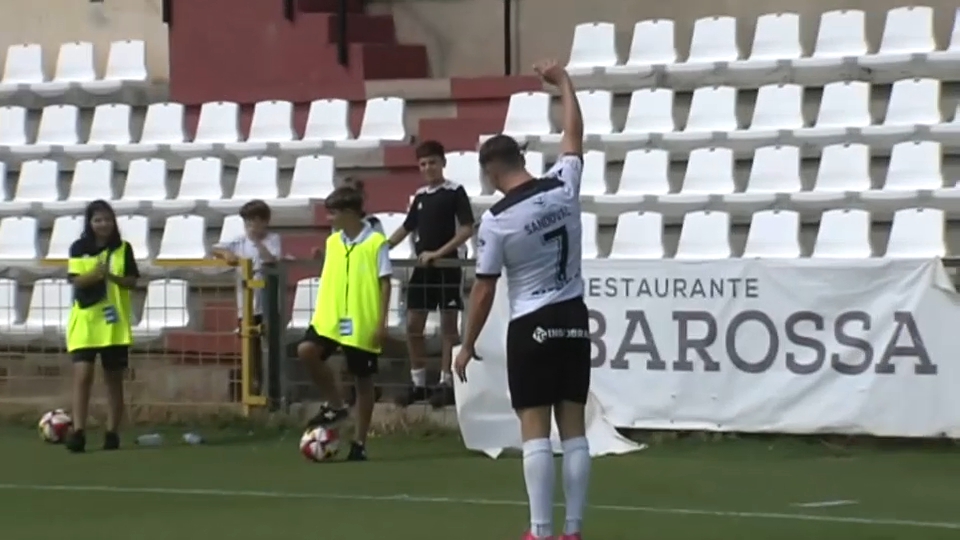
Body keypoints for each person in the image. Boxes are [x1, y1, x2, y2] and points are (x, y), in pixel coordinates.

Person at [454, 60, 590, 540]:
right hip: (574, 317)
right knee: (573, 428)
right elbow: (573, 134)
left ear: (491, 169)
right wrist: (564, 83)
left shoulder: (496, 220)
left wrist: (467, 344)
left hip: (532, 325)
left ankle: (538, 530)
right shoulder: (563, 185)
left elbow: (485, 287)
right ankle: (572, 531)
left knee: (535, 429)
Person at [297, 187, 392, 461]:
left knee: (363, 380)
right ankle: (336, 404)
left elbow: (385, 282)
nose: (330, 218)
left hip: (361, 318)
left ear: (350, 213)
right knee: (307, 350)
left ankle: (359, 443)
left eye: (335, 212)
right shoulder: (333, 242)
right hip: (332, 317)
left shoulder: (376, 242)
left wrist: (381, 322)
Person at [387, 140, 474, 408]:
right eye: (423, 164)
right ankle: (419, 382)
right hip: (423, 268)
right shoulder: (421, 196)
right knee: (414, 324)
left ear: (442, 163)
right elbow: (407, 227)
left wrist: (439, 252)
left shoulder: (455, 191)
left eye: (432, 162)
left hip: (447, 267)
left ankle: (447, 381)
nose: (428, 168)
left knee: (449, 326)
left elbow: (466, 228)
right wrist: (381, 247)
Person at [64, 200, 141, 453]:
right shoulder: (79, 248)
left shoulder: (123, 249)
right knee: (83, 376)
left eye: (107, 219)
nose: (103, 224)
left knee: (113, 380)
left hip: (114, 323)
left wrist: (112, 277)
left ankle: (112, 432)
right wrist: (95, 274)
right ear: (90, 223)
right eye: (98, 220)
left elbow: (131, 281)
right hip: (86, 321)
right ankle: (78, 430)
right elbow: (76, 281)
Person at [212, 199, 283, 395]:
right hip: (247, 304)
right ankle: (253, 388)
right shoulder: (238, 241)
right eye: (248, 222)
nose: (251, 226)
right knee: (250, 347)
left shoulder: (273, 239)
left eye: (255, 221)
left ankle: (273, 389)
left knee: (271, 346)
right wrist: (226, 254)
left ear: (265, 221)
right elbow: (216, 248)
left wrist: (258, 243)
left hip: (268, 302)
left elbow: (271, 259)